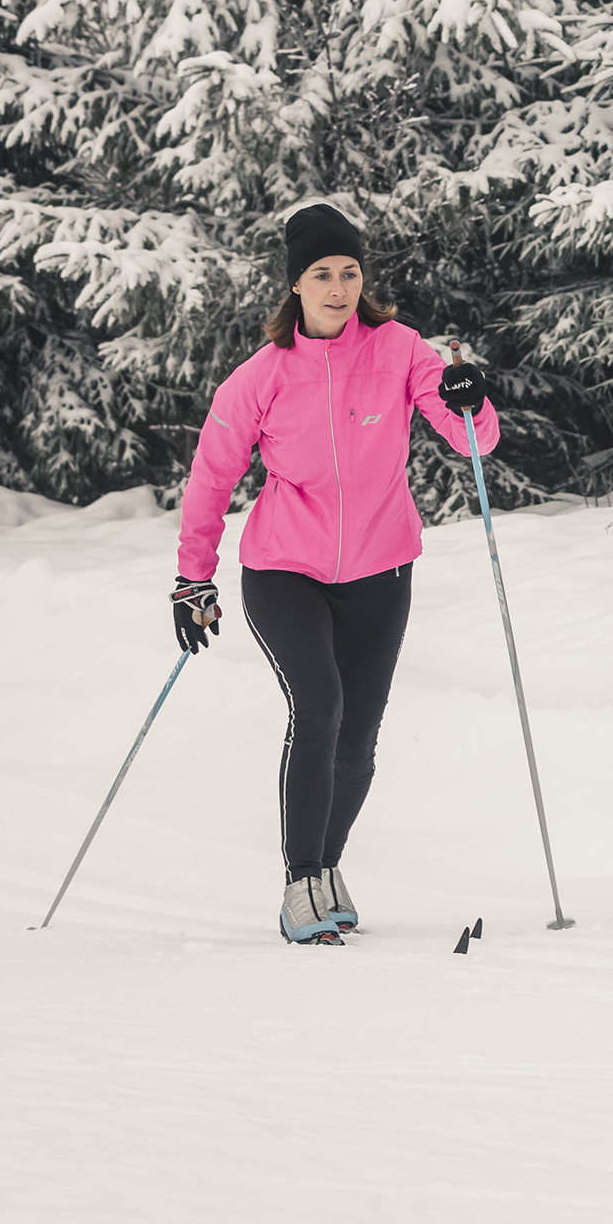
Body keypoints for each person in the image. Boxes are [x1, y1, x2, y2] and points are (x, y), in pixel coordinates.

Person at [169, 204, 497, 944]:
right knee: (318, 709)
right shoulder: (260, 378)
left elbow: (467, 435)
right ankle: (298, 882)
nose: (340, 286)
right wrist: (194, 579)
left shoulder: (402, 349)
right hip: (284, 569)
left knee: (359, 741)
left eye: (350, 271)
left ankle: (327, 870)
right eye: (322, 273)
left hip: (381, 569)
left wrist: (468, 400)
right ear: (296, 285)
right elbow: (211, 478)